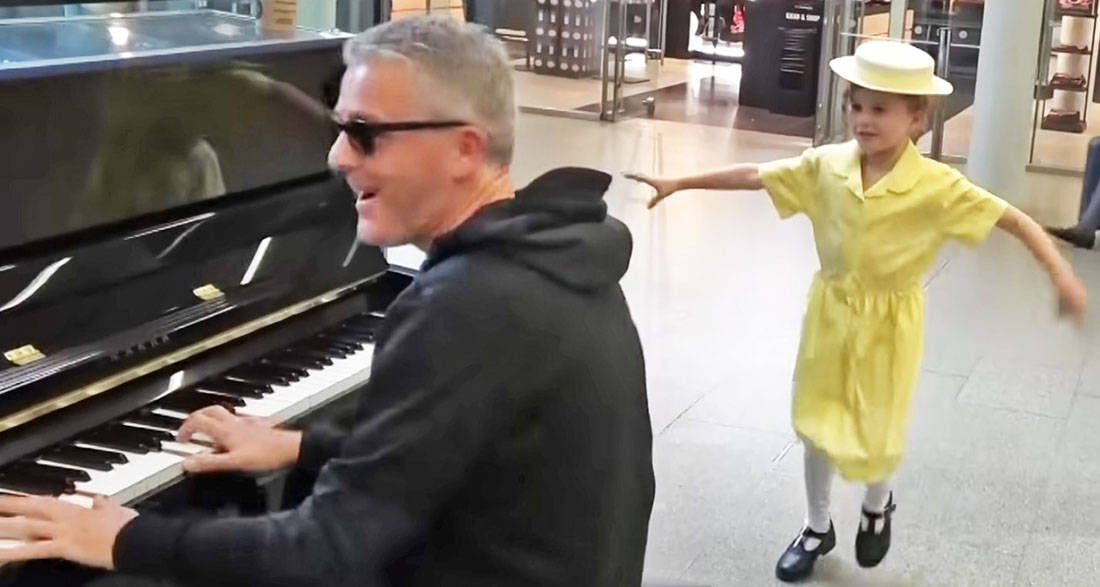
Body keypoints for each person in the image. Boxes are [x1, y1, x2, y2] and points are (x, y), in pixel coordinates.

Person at [0, 15, 656, 587]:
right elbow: (440, 430)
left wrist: (120, 537)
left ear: (465, 149)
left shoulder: (467, 303)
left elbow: (325, 551)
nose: (337, 157)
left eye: (365, 133)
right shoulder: (557, 252)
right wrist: (301, 443)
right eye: (340, 127)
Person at [626, 40, 1087, 583]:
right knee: (816, 422)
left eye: (880, 109)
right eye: (856, 106)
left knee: (879, 426)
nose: (863, 120)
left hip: (893, 321)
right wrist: (682, 181)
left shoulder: (937, 186)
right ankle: (816, 526)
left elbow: (1013, 220)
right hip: (831, 311)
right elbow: (757, 174)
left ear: (916, 119)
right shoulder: (827, 166)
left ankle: (877, 504)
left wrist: (1060, 275)